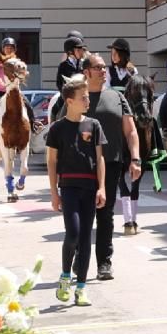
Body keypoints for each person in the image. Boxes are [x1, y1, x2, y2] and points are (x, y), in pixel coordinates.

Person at [47, 76, 107, 307]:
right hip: (69, 187)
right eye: (83, 97)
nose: (87, 100)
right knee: (72, 232)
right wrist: (54, 192)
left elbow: (99, 158)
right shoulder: (58, 128)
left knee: (85, 239)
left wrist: (101, 187)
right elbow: (52, 162)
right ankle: (65, 276)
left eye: (87, 97)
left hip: (90, 187)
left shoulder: (93, 124)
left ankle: (81, 288)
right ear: (70, 101)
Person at [80, 53, 141, 280]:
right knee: (83, 215)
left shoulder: (117, 96)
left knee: (105, 214)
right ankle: (79, 258)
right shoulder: (77, 97)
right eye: (98, 68)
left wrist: (135, 159)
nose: (103, 71)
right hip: (81, 165)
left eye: (104, 67)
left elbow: (131, 130)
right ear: (86, 72)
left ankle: (104, 263)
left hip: (112, 163)